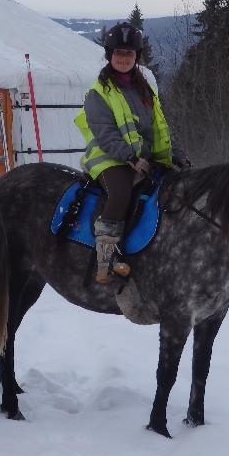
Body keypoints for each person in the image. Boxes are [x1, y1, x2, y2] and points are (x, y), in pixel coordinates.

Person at [74, 22, 189, 283]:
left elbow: (160, 128)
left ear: (136, 57)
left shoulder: (144, 90)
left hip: (143, 158)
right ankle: (105, 259)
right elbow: (105, 133)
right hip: (109, 157)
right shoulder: (98, 93)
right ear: (109, 55)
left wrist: (175, 154)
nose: (123, 59)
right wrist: (130, 158)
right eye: (118, 53)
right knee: (121, 192)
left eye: (129, 54)